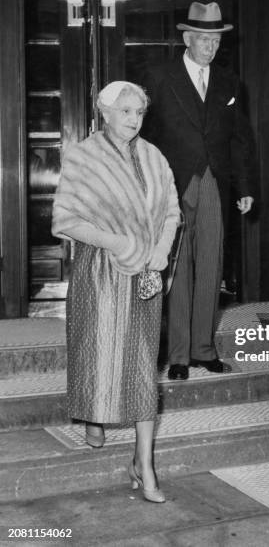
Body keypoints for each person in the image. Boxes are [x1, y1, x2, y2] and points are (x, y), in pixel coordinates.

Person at [52, 81, 180, 503]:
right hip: (100, 269)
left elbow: (172, 212)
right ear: (103, 113)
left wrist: (160, 252)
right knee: (98, 353)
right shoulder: (83, 156)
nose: (133, 119)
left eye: (139, 112)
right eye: (124, 111)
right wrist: (119, 243)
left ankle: (143, 464)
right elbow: (66, 220)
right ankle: (94, 414)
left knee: (144, 365)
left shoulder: (154, 156)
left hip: (147, 273)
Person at [142, 2, 256, 381]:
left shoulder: (230, 82)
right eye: (204, 39)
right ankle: (177, 355)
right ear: (187, 38)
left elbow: (241, 139)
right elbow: (145, 135)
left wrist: (246, 186)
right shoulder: (159, 76)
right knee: (178, 267)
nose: (211, 47)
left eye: (216, 40)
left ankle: (203, 350)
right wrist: (148, 184)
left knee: (211, 265)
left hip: (214, 182)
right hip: (173, 183)